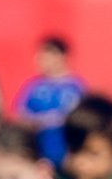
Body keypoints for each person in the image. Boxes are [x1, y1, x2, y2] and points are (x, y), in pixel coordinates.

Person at [19, 37, 82, 165]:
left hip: (67, 158)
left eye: (46, 57)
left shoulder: (77, 88)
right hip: (37, 156)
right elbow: (20, 117)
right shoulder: (33, 87)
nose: (40, 61)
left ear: (61, 57)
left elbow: (83, 121)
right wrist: (39, 121)